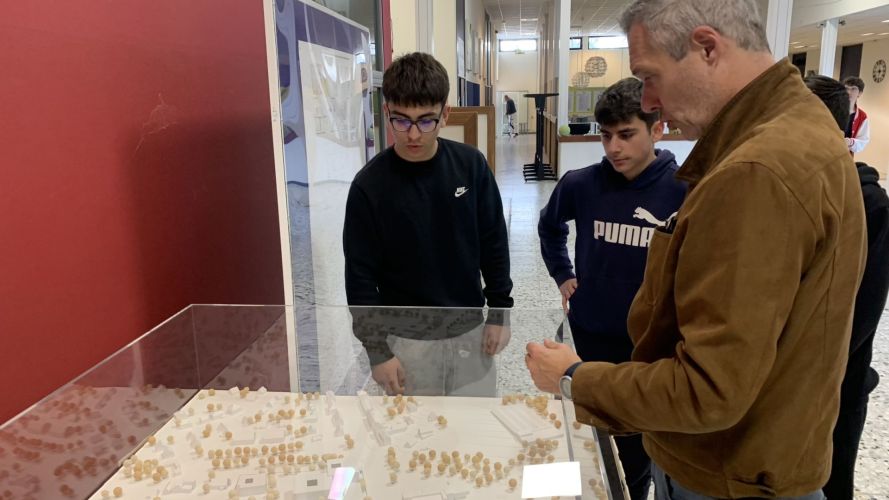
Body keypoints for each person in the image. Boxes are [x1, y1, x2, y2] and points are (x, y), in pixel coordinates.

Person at [524, 1, 866, 498]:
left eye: (650, 76)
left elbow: (708, 389)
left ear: (707, 47)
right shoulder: (802, 130)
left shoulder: (757, 170)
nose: (649, 98)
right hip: (758, 457)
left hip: (728, 472)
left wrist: (574, 379)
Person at [537, 77, 686, 500]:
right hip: (589, 332)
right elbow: (550, 226)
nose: (614, 148)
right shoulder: (581, 184)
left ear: (657, 130)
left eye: (626, 134)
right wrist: (563, 272)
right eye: (606, 136)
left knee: (636, 449)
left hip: (647, 345)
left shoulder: (684, 189)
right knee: (582, 433)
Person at [343, 52, 513, 395]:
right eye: (401, 121)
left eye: (426, 121)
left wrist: (499, 312)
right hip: (404, 341)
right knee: (412, 428)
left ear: (445, 115)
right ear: (387, 113)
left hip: (469, 331)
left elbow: (493, 242)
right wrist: (377, 352)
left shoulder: (471, 166)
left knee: (474, 422)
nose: (413, 134)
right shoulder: (368, 186)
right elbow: (360, 277)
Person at [805, 75, 889, 500]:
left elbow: (862, 314)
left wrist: (799, 370)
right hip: (780, 389)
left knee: (829, 481)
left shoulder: (870, 204)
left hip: (835, 385)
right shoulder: (790, 189)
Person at [843, 76, 870, 155]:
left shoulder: (862, 116)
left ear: (860, 93)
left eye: (853, 89)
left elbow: (863, 141)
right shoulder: (833, 109)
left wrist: (850, 142)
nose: (849, 92)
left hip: (845, 156)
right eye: (846, 88)